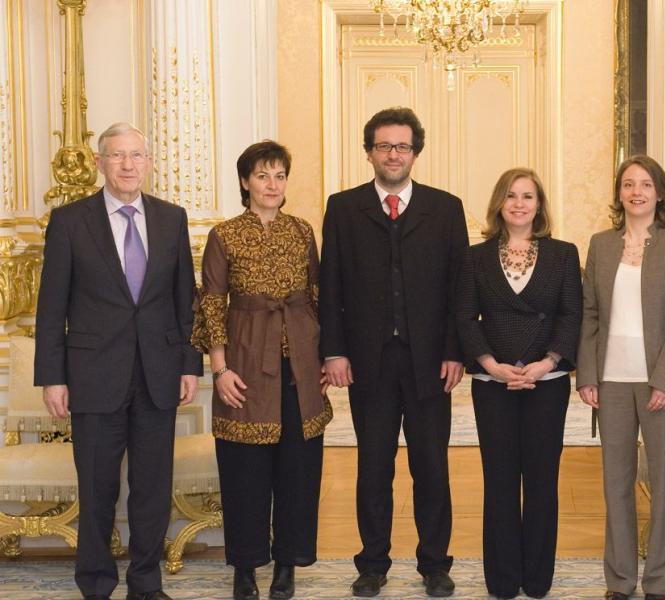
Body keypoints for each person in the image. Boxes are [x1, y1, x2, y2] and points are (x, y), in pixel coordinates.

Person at [34, 122, 202, 600]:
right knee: (97, 489)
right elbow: (52, 306)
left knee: (152, 489)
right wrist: (53, 378)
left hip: (158, 374)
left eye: (136, 155)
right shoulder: (70, 221)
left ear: (148, 162)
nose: (128, 165)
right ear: (99, 162)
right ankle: (95, 584)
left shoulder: (172, 218)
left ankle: (146, 584)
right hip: (92, 376)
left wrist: (189, 364)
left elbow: (184, 301)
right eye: (117, 155)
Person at [319, 107, 469, 598]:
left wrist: (455, 351)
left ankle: (435, 564)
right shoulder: (344, 208)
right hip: (369, 362)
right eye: (384, 146)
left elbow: (459, 289)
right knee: (373, 467)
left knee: (432, 467)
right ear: (369, 152)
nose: (393, 154)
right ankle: (372, 563)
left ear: (415, 153)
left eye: (402, 146)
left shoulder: (445, 209)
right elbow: (330, 284)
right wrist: (334, 351)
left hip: (430, 363)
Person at [191, 141, 331, 600]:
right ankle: (246, 567)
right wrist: (219, 368)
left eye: (279, 175)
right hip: (246, 362)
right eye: (262, 175)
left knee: (298, 471)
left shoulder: (301, 231)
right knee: (244, 473)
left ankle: (287, 564)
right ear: (245, 181)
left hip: (300, 366)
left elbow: (318, 295)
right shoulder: (225, 235)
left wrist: (325, 357)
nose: (272, 184)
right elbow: (212, 302)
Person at [456, 168, 582, 599]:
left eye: (528, 196)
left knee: (543, 480)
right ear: (499, 203)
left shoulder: (563, 254)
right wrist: (491, 364)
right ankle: (503, 579)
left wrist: (548, 361)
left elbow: (571, 314)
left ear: (539, 204)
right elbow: (465, 317)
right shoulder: (475, 256)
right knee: (500, 481)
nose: (519, 204)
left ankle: (538, 578)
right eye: (511, 195)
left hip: (548, 380)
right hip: (493, 382)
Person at [576, 155, 665, 600]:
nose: (636, 192)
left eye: (645, 184)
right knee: (616, 485)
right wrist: (587, 374)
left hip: (658, 381)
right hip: (610, 381)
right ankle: (620, 581)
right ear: (619, 193)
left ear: (659, 193)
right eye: (628, 184)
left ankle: (661, 581)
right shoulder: (601, 245)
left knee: (664, 486)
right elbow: (589, 315)